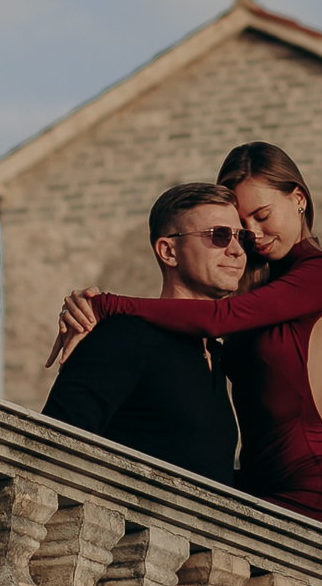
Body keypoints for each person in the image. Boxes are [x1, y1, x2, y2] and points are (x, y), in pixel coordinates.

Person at [50, 143, 322, 538]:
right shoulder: (257, 290)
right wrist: (84, 305)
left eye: (261, 215)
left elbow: (220, 318)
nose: (251, 235)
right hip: (257, 484)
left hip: (313, 489)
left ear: (299, 199)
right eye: (230, 230)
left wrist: (108, 304)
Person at [41, 182, 245, 485]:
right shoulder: (125, 335)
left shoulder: (217, 354)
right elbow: (51, 449)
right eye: (219, 235)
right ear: (168, 251)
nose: (236, 250)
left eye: (242, 237)